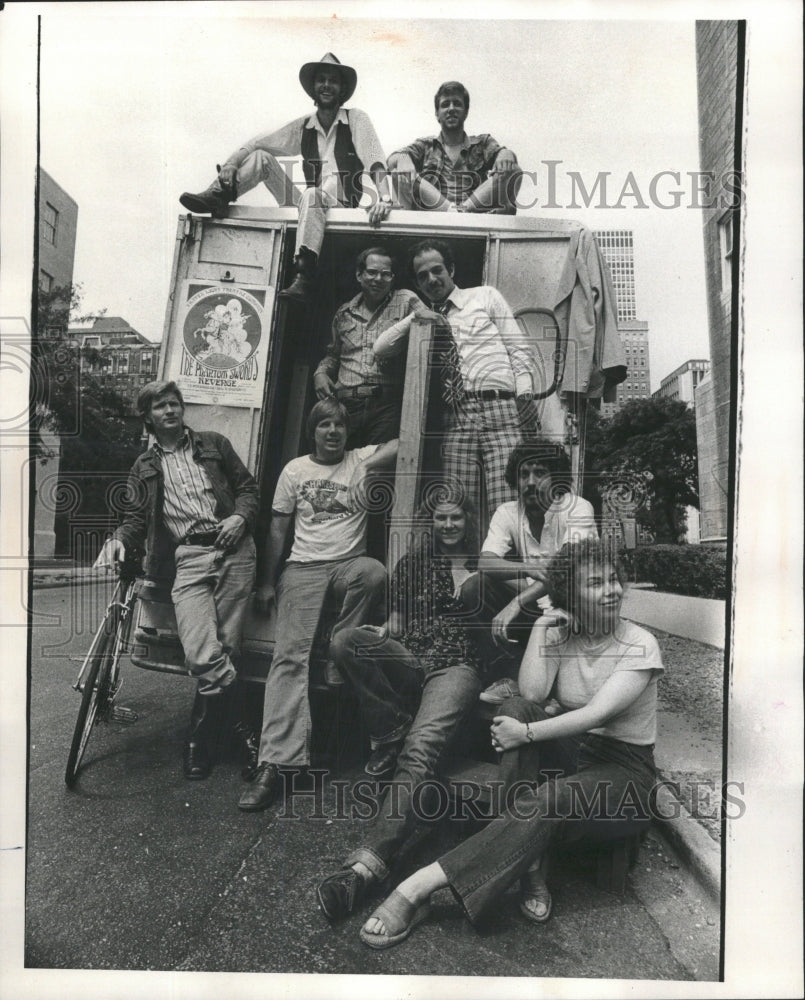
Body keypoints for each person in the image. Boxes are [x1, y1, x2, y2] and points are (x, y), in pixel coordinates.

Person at [356, 538, 663, 949]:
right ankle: (529, 863)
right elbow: (533, 695)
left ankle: (418, 886)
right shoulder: (563, 632)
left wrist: (529, 733)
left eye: (614, 580)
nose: (612, 590)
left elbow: (597, 715)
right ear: (571, 593)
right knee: (516, 707)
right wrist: (539, 628)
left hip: (625, 771)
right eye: (596, 583)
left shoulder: (640, 643)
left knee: (547, 795)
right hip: (575, 750)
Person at [315, 492, 487, 924]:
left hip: (457, 667)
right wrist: (384, 631)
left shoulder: (486, 567)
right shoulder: (414, 564)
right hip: (413, 654)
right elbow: (398, 619)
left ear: (469, 521)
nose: (448, 525)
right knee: (346, 640)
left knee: (421, 748)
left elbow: (496, 632)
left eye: (456, 518)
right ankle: (389, 730)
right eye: (440, 518)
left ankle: (363, 869)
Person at [238, 398, 397, 812]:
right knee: (288, 659)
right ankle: (274, 763)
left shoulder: (361, 461)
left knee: (375, 572)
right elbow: (277, 530)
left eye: (340, 425)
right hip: (303, 569)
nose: (333, 432)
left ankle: (336, 650)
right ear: (313, 430)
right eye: (324, 425)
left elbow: (404, 442)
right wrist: (268, 582)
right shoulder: (294, 470)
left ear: (348, 432)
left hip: (347, 567)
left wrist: (374, 458)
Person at [94, 381, 258, 780]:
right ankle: (248, 732)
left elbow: (248, 489)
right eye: (160, 406)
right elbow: (135, 520)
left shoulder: (214, 444)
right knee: (202, 654)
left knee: (228, 648)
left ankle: (199, 741)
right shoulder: (144, 466)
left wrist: (239, 517)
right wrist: (117, 540)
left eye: (174, 403)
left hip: (235, 550)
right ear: (148, 417)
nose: (170, 410)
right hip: (188, 558)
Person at [179, 53, 394, 302]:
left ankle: (304, 275)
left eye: (332, 80)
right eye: (321, 80)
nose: (326, 85)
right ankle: (218, 195)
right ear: (313, 88)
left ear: (342, 88)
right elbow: (257, 142)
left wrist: (385, 197)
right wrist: (230, 164)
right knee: (262, 157)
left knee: (314, 194)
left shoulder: (355, 119)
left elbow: (375, 159)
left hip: (339, 209)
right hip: (308, 209)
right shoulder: (304, 126)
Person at [395, 238, 535, 518]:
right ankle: (465, 564)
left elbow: (518, 346)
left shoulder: (485, 296)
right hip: (456, 415)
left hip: (500, 409)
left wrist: (525, 394)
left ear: (452, 270)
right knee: (458, 507)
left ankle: (506, 562)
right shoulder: (423, 318)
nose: (432, 279)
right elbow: (380, 347)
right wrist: (416, 309)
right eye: (422, 277)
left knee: (508, 503)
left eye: (437, 271)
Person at [462, 440, 598, 705]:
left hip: (575, 607)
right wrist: (527, 568)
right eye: (524, 474)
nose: (531, 482)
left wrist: (517, 601)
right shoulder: (508, 512)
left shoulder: (578, 507)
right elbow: (486, 562)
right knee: (474, 588)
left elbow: (567, 567)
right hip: (537, 604)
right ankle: (511, 675)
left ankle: (557, 686)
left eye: (540, 473)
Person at [313, 246, 437, 448]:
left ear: (392, 278)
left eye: (386, 274)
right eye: (372, 272)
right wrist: (320, 373)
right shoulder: (343, 313)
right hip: (345, 404)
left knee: (377, 468)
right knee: (342, 466)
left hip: (386, 404)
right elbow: (333, 355)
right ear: (359, 275)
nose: (378, 279)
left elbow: (431, 324)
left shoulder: (406, 300)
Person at [387, 81, 522, 214]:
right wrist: (403, 158)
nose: (451, 109)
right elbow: (391, 161)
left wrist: (506, 153)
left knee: (513, 169)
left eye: (457, 104)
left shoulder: (482, 143)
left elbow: (506, 159)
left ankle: (462, 211)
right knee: (397, 171)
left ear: (466, 112)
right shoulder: (426, 146)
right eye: (445, 105)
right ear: (437, 114)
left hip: (474, 217)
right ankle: (453, 212)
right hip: (435, 216)